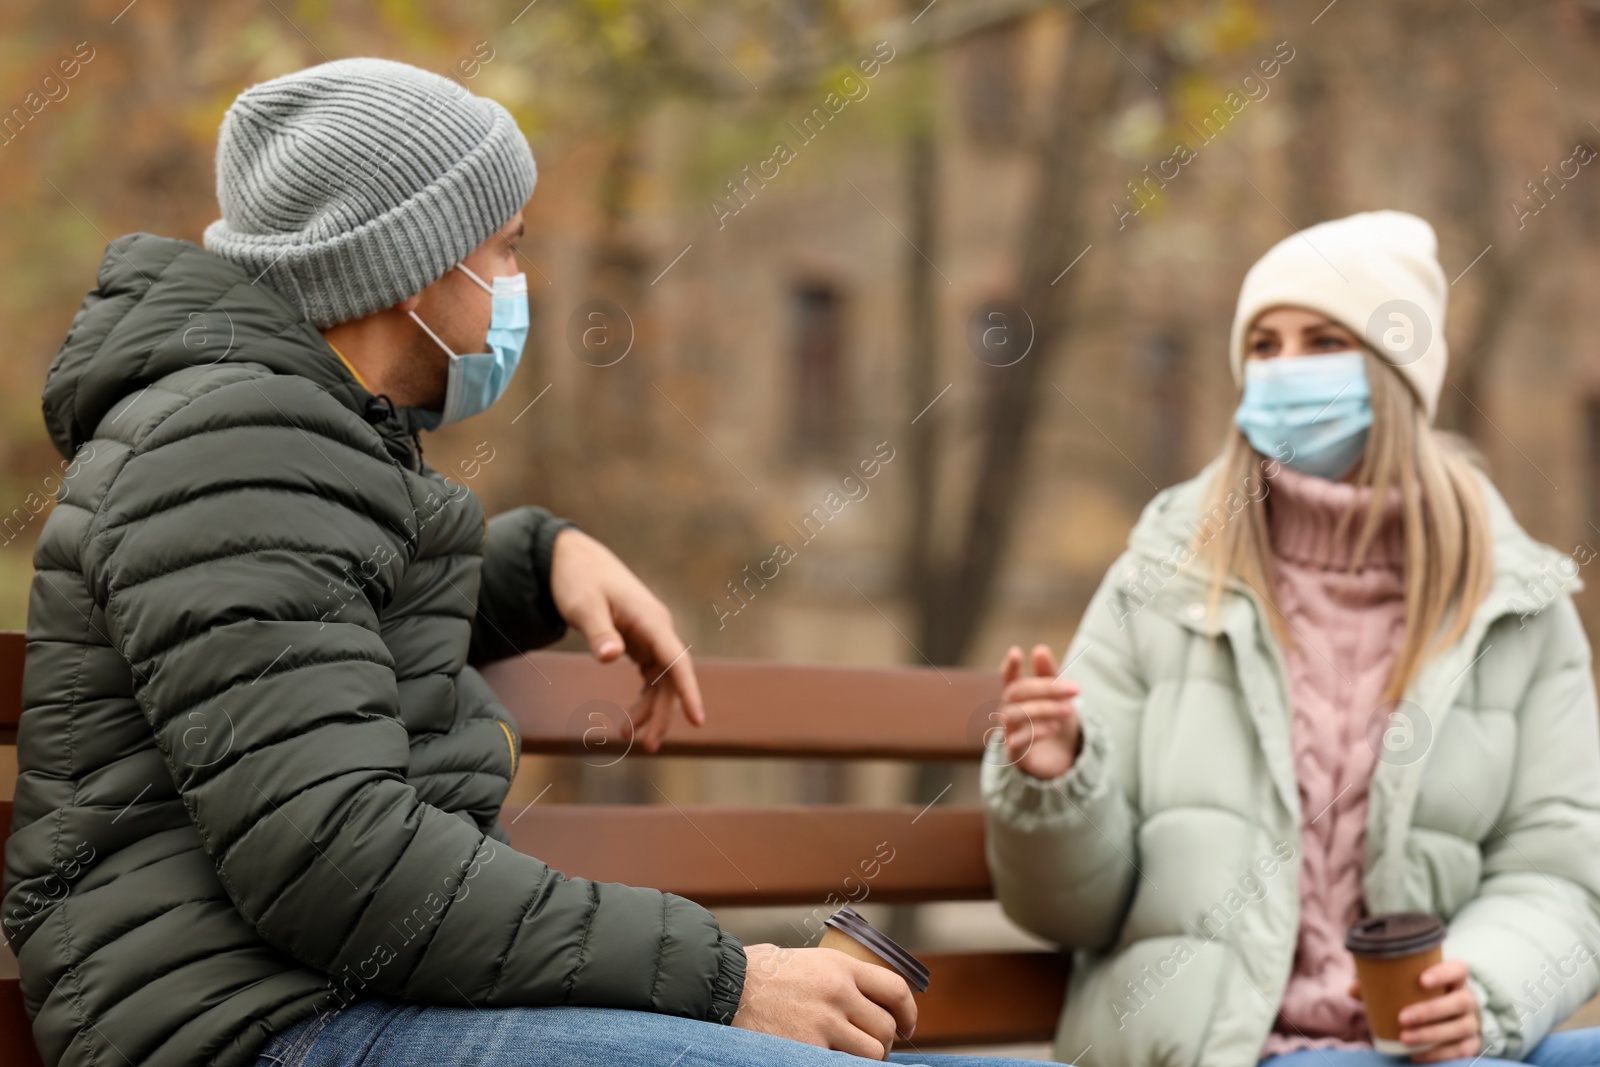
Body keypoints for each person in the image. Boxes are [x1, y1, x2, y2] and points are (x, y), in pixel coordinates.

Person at [2, 59, 1054, 1067]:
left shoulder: (277, 436)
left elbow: (307, 632)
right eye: (504, 247)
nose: (518, 281)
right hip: (261, 1026)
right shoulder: (228, 445)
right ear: (405, 261)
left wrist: (541, 558)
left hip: (326, 1002)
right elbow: (336, 860)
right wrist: (729, 977)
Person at [983, 210, 1600, 1067]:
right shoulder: (1166, 573)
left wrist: (1482, 988)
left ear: (1395, 373)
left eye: (1320, 340)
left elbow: (1562, 870)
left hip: (1441, 1049)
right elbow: (1071, 911)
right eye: (1263, 347)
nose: (1283, 370)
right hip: (1235, 1048)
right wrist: (1055, 785)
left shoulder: (1517, 602)